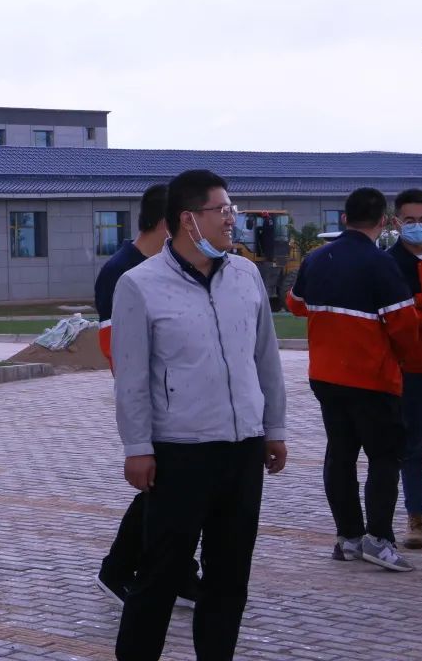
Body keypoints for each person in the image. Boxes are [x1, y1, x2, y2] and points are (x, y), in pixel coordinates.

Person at [111, 169, 287, 660]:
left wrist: (274, 428)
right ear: (188, 220)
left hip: (243, 449)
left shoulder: (246, 275)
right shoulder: (140, 285)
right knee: (160, 576)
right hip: (180, 453)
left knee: (230, 576)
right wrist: (137, 447)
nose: (232, 220)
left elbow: (265, 358)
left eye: (232, 210)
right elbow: (131, 376)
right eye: (222, 210)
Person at [288, 187, 419, 571]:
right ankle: (378, 540)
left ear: (344, 218)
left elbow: (295, 305)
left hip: (326, 377)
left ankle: (348, 538)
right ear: (384, 221)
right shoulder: (381, 264)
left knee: (340, 455)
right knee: (384, 457)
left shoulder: (315, 258)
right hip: (372, 378)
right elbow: (405, 327)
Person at [93, 184, 199, 609]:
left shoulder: (173, 267)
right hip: (155, 404)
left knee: (182, 492)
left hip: (185, 402)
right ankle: (118, 570)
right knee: (163, 490)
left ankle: (178, 572)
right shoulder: (123, 272)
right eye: (189, 220)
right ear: (166, 223)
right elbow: (119, 352)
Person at [388, 188, 422, 549]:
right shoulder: (387, 264)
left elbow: (411, 309)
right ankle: (416, 517)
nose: (417, 226)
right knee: (414, 448)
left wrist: (419, 304)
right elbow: (397, 314)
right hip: (413, 369)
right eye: (410, 220)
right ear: (396, 222)